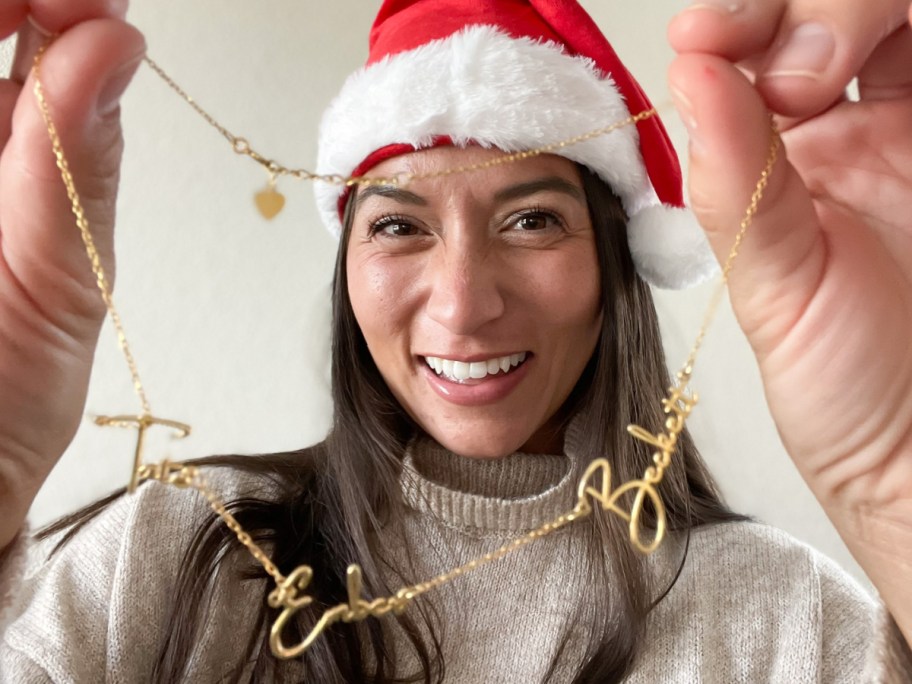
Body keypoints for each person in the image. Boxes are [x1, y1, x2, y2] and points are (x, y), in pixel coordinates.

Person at [0, 0, 910, 681]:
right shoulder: (169, 559)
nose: (463, 307)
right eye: (400, 227)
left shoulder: (794, 624)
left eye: (532, 222)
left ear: (614, 266)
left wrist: (895, 478)